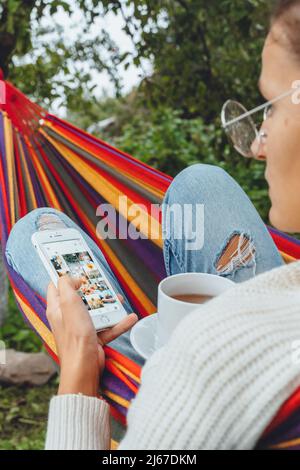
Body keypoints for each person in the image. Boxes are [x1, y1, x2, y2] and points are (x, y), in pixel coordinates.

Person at [5, 0, 300, 450]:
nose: (258, 144)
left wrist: (79, 366)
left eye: (270, 108)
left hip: (200, 386)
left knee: (33, 233)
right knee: (201, 184)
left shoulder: (208, 372)